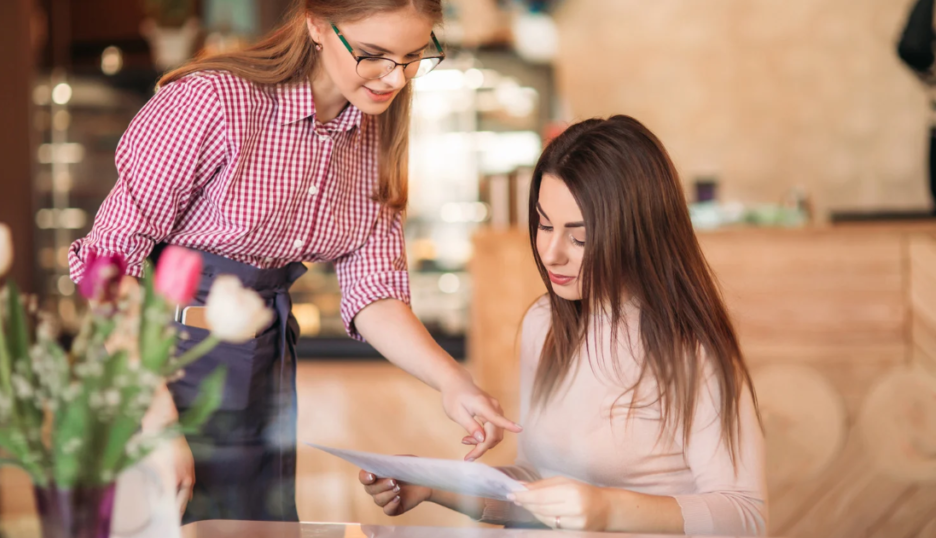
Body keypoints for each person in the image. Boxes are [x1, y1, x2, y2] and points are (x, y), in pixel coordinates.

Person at [68, 0, 521, 523]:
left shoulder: (373, 130)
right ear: (316, 25)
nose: (393, 78)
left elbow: (374, 289)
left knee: (255, 528)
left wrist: (453, 382)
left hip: (263, 367)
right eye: (373, 54)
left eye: (413, 56)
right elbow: (106, 268)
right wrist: (156, 421)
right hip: (154, 367)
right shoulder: (213, 102)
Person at [359, 116, 767, 536]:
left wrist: (607, 509)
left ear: (637, 233)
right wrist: (434, 486)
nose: (551, 254)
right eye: (544, 224)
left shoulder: (691, 347)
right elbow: (536, 486)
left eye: (580, 237)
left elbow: (744, 516)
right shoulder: (545, 323)